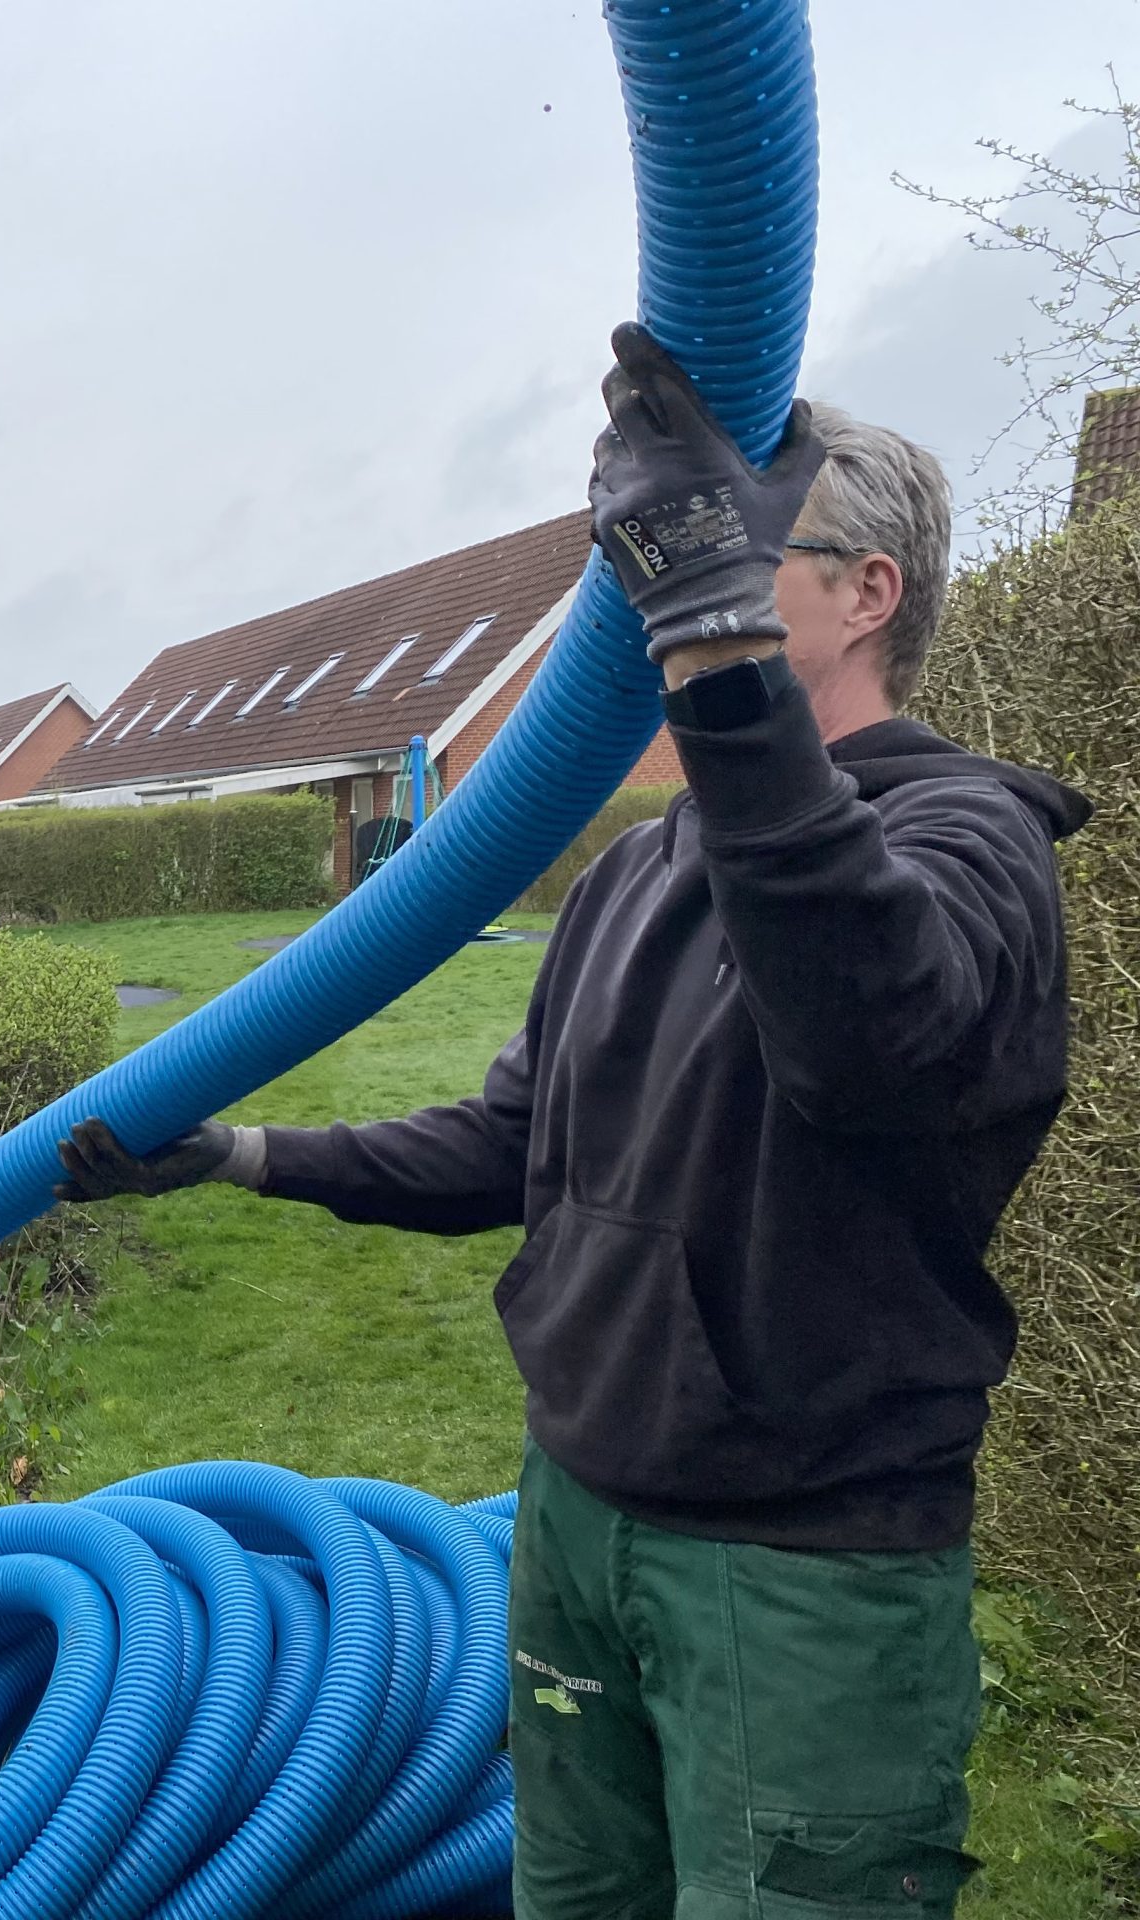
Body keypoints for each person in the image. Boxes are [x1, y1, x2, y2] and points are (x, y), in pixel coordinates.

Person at [55, 325, 1089, 1919]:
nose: (677, 592)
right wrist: (244, 1158)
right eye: (680, 562)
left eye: (743, 556)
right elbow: (510, 1146)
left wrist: (712, 641)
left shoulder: (968, 841)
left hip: (804, 1562)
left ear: (867, 595)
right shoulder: (635, 870)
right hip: (582, 1513)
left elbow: (864, 1042)